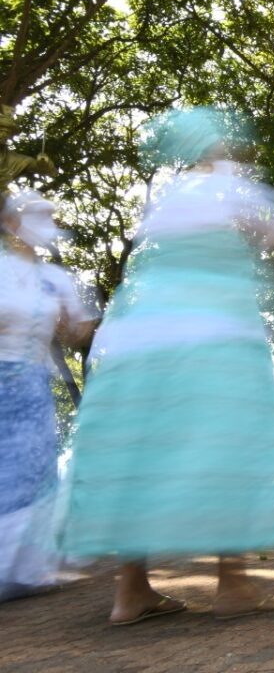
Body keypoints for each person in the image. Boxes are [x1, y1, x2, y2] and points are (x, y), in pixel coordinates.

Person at [59, 107, 274, 625]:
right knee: (228, 442)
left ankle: (130, 592)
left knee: (141, 450)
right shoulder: (231, 188)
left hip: (140, 339)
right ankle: (233, 583)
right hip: (214, 336)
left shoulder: (165, 196)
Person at [0, 190, 92, 601]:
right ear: (11, 223)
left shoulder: (55, 277)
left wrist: (84, 317)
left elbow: (78, 332)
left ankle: (27, 570)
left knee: (35, 470)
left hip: (33, 383)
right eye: (33, 216)